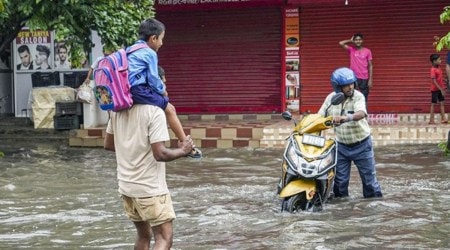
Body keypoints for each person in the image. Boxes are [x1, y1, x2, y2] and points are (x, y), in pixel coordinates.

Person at [104, 102, 194, 250]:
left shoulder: (116, 111)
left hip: (126, 187)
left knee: (143, 235)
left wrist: (132, 150)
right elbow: (161, 154)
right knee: (164, 237)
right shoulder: (154, 112)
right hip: (149, 188)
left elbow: (108, 144)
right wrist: (183, 150)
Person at [128, 18, 202, 158]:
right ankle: (186, 144)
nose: (162, 43)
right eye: (161, 39)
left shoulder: (130, 49)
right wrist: (162, 91)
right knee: (170, 108)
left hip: (129, 91)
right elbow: (154, 79)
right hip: (139, 91)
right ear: (153, 38)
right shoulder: (149, 53)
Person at [318, 67, 383, 199]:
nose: (350, 87)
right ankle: (342, 213)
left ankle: (374, 209)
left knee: (370, 183)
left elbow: (361, 113)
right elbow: (319, 117)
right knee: (340, 183)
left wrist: (345, 118)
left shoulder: (358, 96)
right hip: (341, 147)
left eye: (352, 83)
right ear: (337, 87)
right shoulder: (330, 99)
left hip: (362, 145)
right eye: (346, 85)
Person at [339, 33, 373, 107]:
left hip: (364, 77)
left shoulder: (367, 51)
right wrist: (350, 40)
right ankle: (353, 114)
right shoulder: (351, 50)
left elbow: (370, 65)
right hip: (353, 78)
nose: (358, 41)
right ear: (354, 41)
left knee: (364, 97)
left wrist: (370, 79)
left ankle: (363, 114)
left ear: (362, 41)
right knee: (352, 95)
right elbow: (341, 43)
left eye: (359, 40)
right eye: (356, 40)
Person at [429, 54, 448, 124]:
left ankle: (443, 119)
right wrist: (441, 90)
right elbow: (434, 81)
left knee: (442, 103)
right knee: (433, 104)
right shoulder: (432, 70)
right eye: (439, 60)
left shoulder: (439, 68)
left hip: (441, 89)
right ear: (434, 61)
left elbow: (439, 78)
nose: (441, 61)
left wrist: (445, 81)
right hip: (435, 89)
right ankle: (431, 120)